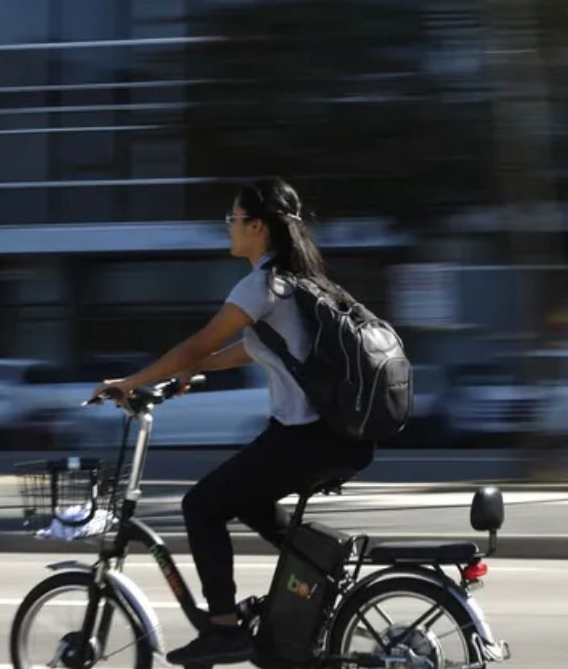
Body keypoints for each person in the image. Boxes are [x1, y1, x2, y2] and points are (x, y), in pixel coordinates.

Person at [90, 177, 375, 666]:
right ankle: (322, 575)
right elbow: (251, 350)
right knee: (246, 499)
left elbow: (198, 344)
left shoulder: (262, 284)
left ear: (257, 226)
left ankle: (224, 630)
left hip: (305, 437)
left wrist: (133, 381)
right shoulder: (301, 281)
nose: (228, 227)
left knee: (201, 505)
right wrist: (186, 373)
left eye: (233, 219)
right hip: (333, 436)